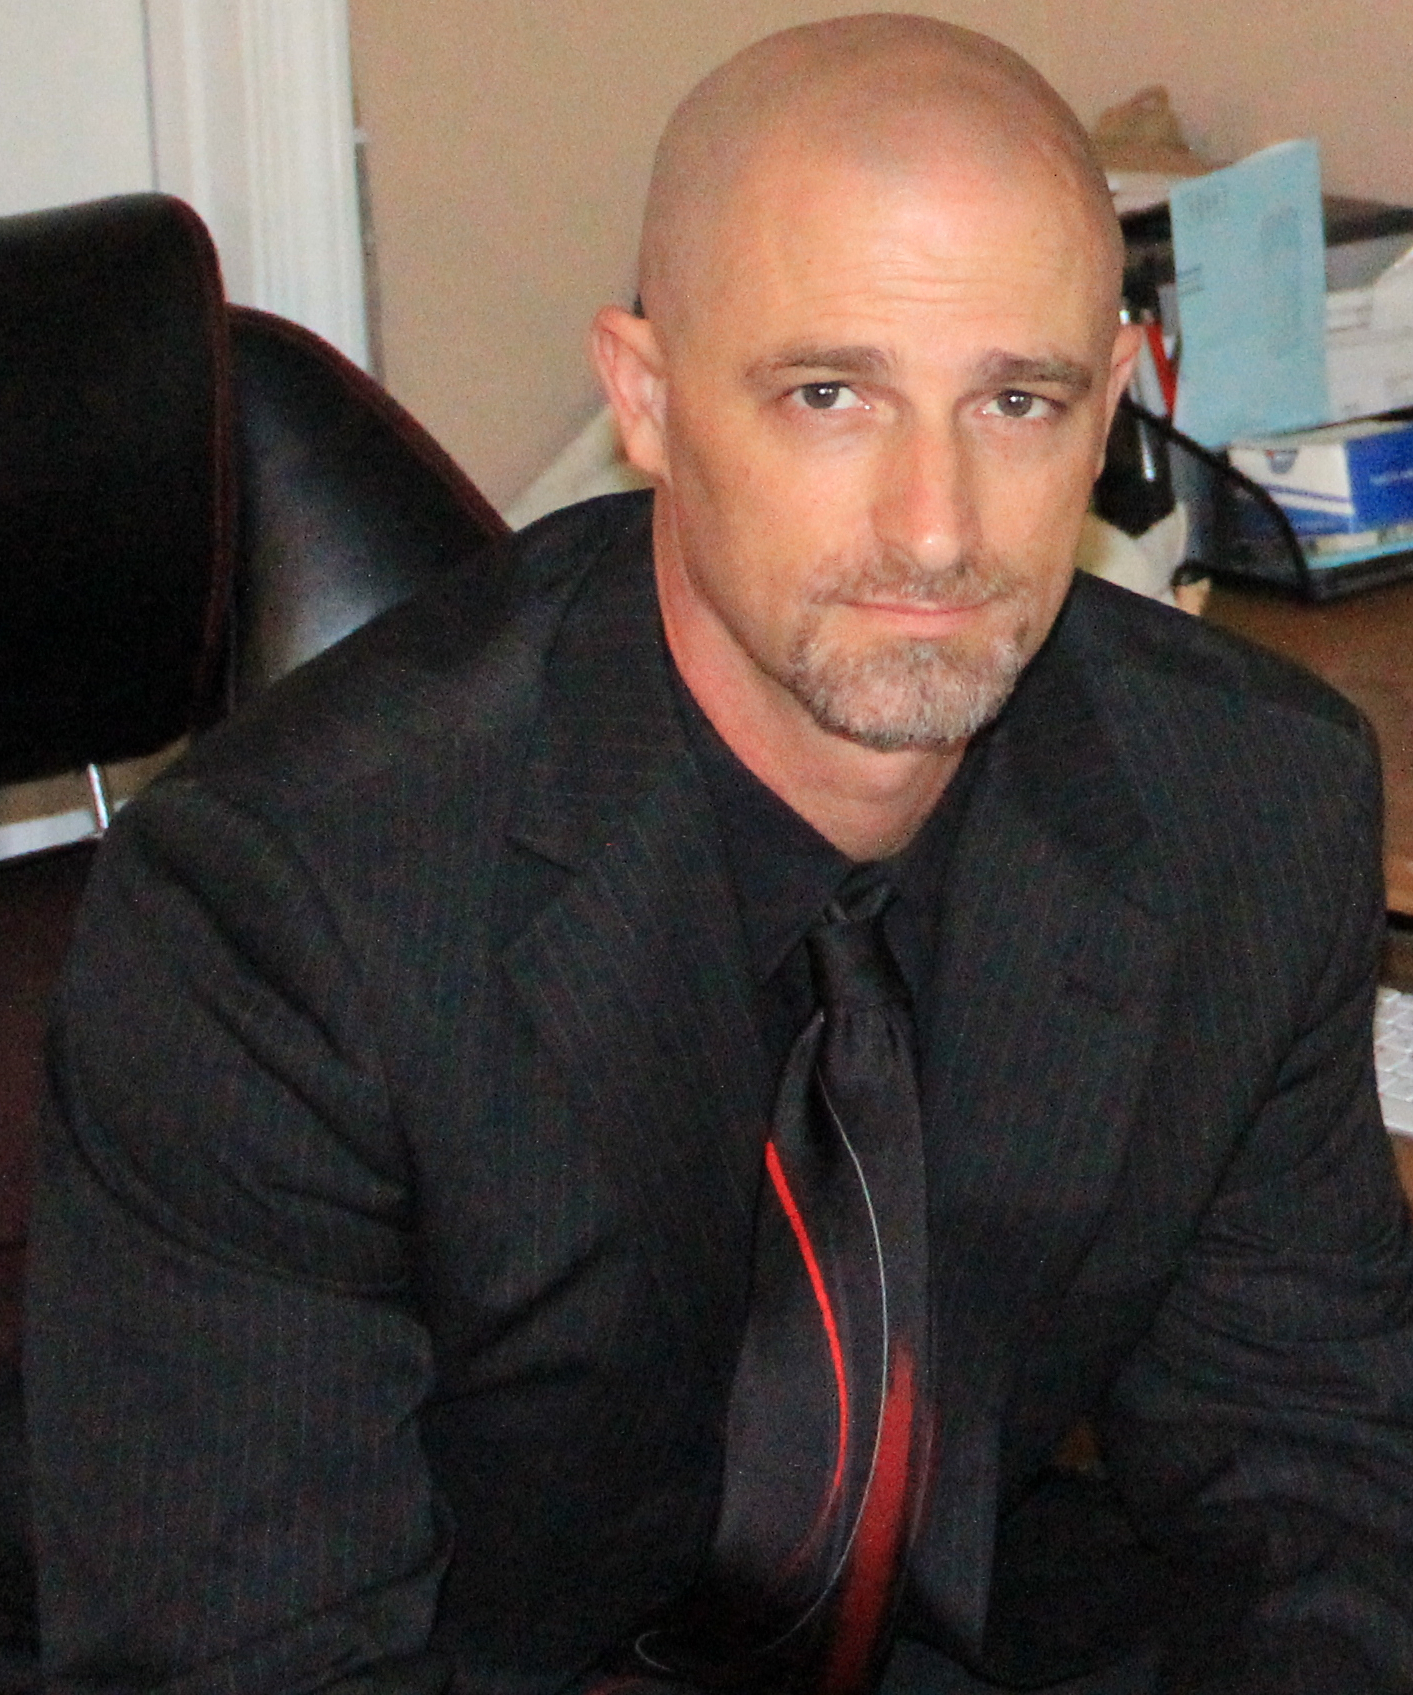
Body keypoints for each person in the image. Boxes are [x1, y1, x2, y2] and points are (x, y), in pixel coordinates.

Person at [26, 14, 1413, 1694]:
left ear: (1111, 402)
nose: (935, 527)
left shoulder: (1247, 803)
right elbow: (259, 1663)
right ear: (647, 397)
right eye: (829, 394)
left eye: (1015, 400)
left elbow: (1309, 1482)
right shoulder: (280, 913)